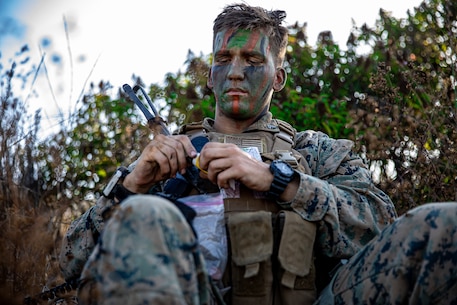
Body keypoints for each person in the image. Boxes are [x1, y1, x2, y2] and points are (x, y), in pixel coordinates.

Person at [59, 3, 457, 305]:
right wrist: (131, 186)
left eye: (252, 60)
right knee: (147, 214)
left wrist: (280, 181)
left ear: (278, 76)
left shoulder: (316, 151)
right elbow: (72, 265)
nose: (235, 72)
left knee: (443, 224)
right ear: (210, 75)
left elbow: (379, 226)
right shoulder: (167, 155)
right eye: (223, 60)